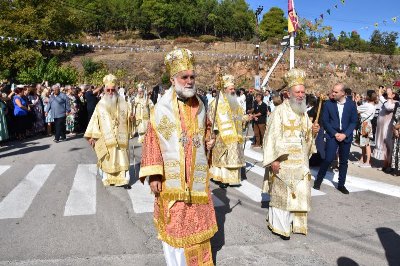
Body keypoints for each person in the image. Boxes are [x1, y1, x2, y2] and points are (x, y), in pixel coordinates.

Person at [139, 48, 217, 266]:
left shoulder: (201, 105)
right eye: (185, 77)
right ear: (174, 80)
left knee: (198, 225)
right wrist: (154, 174)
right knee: (175, 226)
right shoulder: (162, 108)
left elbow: (207, 130)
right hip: (172, 181)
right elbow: (152, 140)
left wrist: (210, 141)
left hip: (196, 181)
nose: (190, 81)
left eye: (192, 77)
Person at [263, 68, 320, 240]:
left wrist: (314, 131)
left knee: (300, 193)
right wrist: (273, 160)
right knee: (283, 196)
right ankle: (280, 227)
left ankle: (297, 224)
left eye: (303, 92)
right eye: (298, 92)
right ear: (288, 93)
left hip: (300, 163)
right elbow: (271, 137)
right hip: (284, 162)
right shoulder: (278, 112)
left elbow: (306, 138)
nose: (301, 95)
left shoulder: (303, 113)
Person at [84, 75, 133, 187]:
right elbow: (94, 121)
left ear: (116, 89)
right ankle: (108, 178)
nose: (111, 92)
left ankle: (124, 179)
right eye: (108, 90)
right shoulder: (100, 105)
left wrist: (132, 118)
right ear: (105, 90)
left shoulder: (123, 103)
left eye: (113, 89)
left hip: (121, 137)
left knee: (121, 156)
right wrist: (92, 136)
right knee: (107, 158)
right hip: (106, 138)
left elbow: (129, 116)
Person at [314, 83, 358, 194]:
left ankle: (341, 185)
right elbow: (325, 121)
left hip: (346, 136)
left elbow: (354, 121)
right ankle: (318, 181)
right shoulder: (329, 104)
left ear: (343, 93)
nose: (333, 93)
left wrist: (345, 134)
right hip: (332, 135)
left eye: (336, 92)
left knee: (343, 162)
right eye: (333, 91)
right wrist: (334, 133)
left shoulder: (351, 104)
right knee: (328, 159)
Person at [209, 74, 248, 188]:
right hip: (221, 135)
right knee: (223, 158)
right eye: (230, 89)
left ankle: (233, 179)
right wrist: (214, 131)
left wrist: (246, 118)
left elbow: (239, 117)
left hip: (235, 135)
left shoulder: (235, 103)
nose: (233, 91)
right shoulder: (215, 103)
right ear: (224, 90)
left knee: (233, 157)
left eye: (233, 89)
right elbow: (211, 119)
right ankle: (222, 179)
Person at [372, 87, 397, 172]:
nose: (387, 95)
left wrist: (381, 95)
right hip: (382, 129)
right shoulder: (387, 101)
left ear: (394, 95)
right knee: (384, 146)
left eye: (389, 93)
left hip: (388, 128)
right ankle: (385, 164)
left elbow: (388, 107)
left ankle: (388, 165)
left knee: (389, 146)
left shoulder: (395, 103)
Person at [355, 90, 377, 168]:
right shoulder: (373, 105)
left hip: (365, 124)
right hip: (367, 123)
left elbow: (357, 110)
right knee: (364, 143)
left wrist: (356, 101)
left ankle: (367, 162)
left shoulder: (367, 105)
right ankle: (362, 159)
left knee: (366, 144)